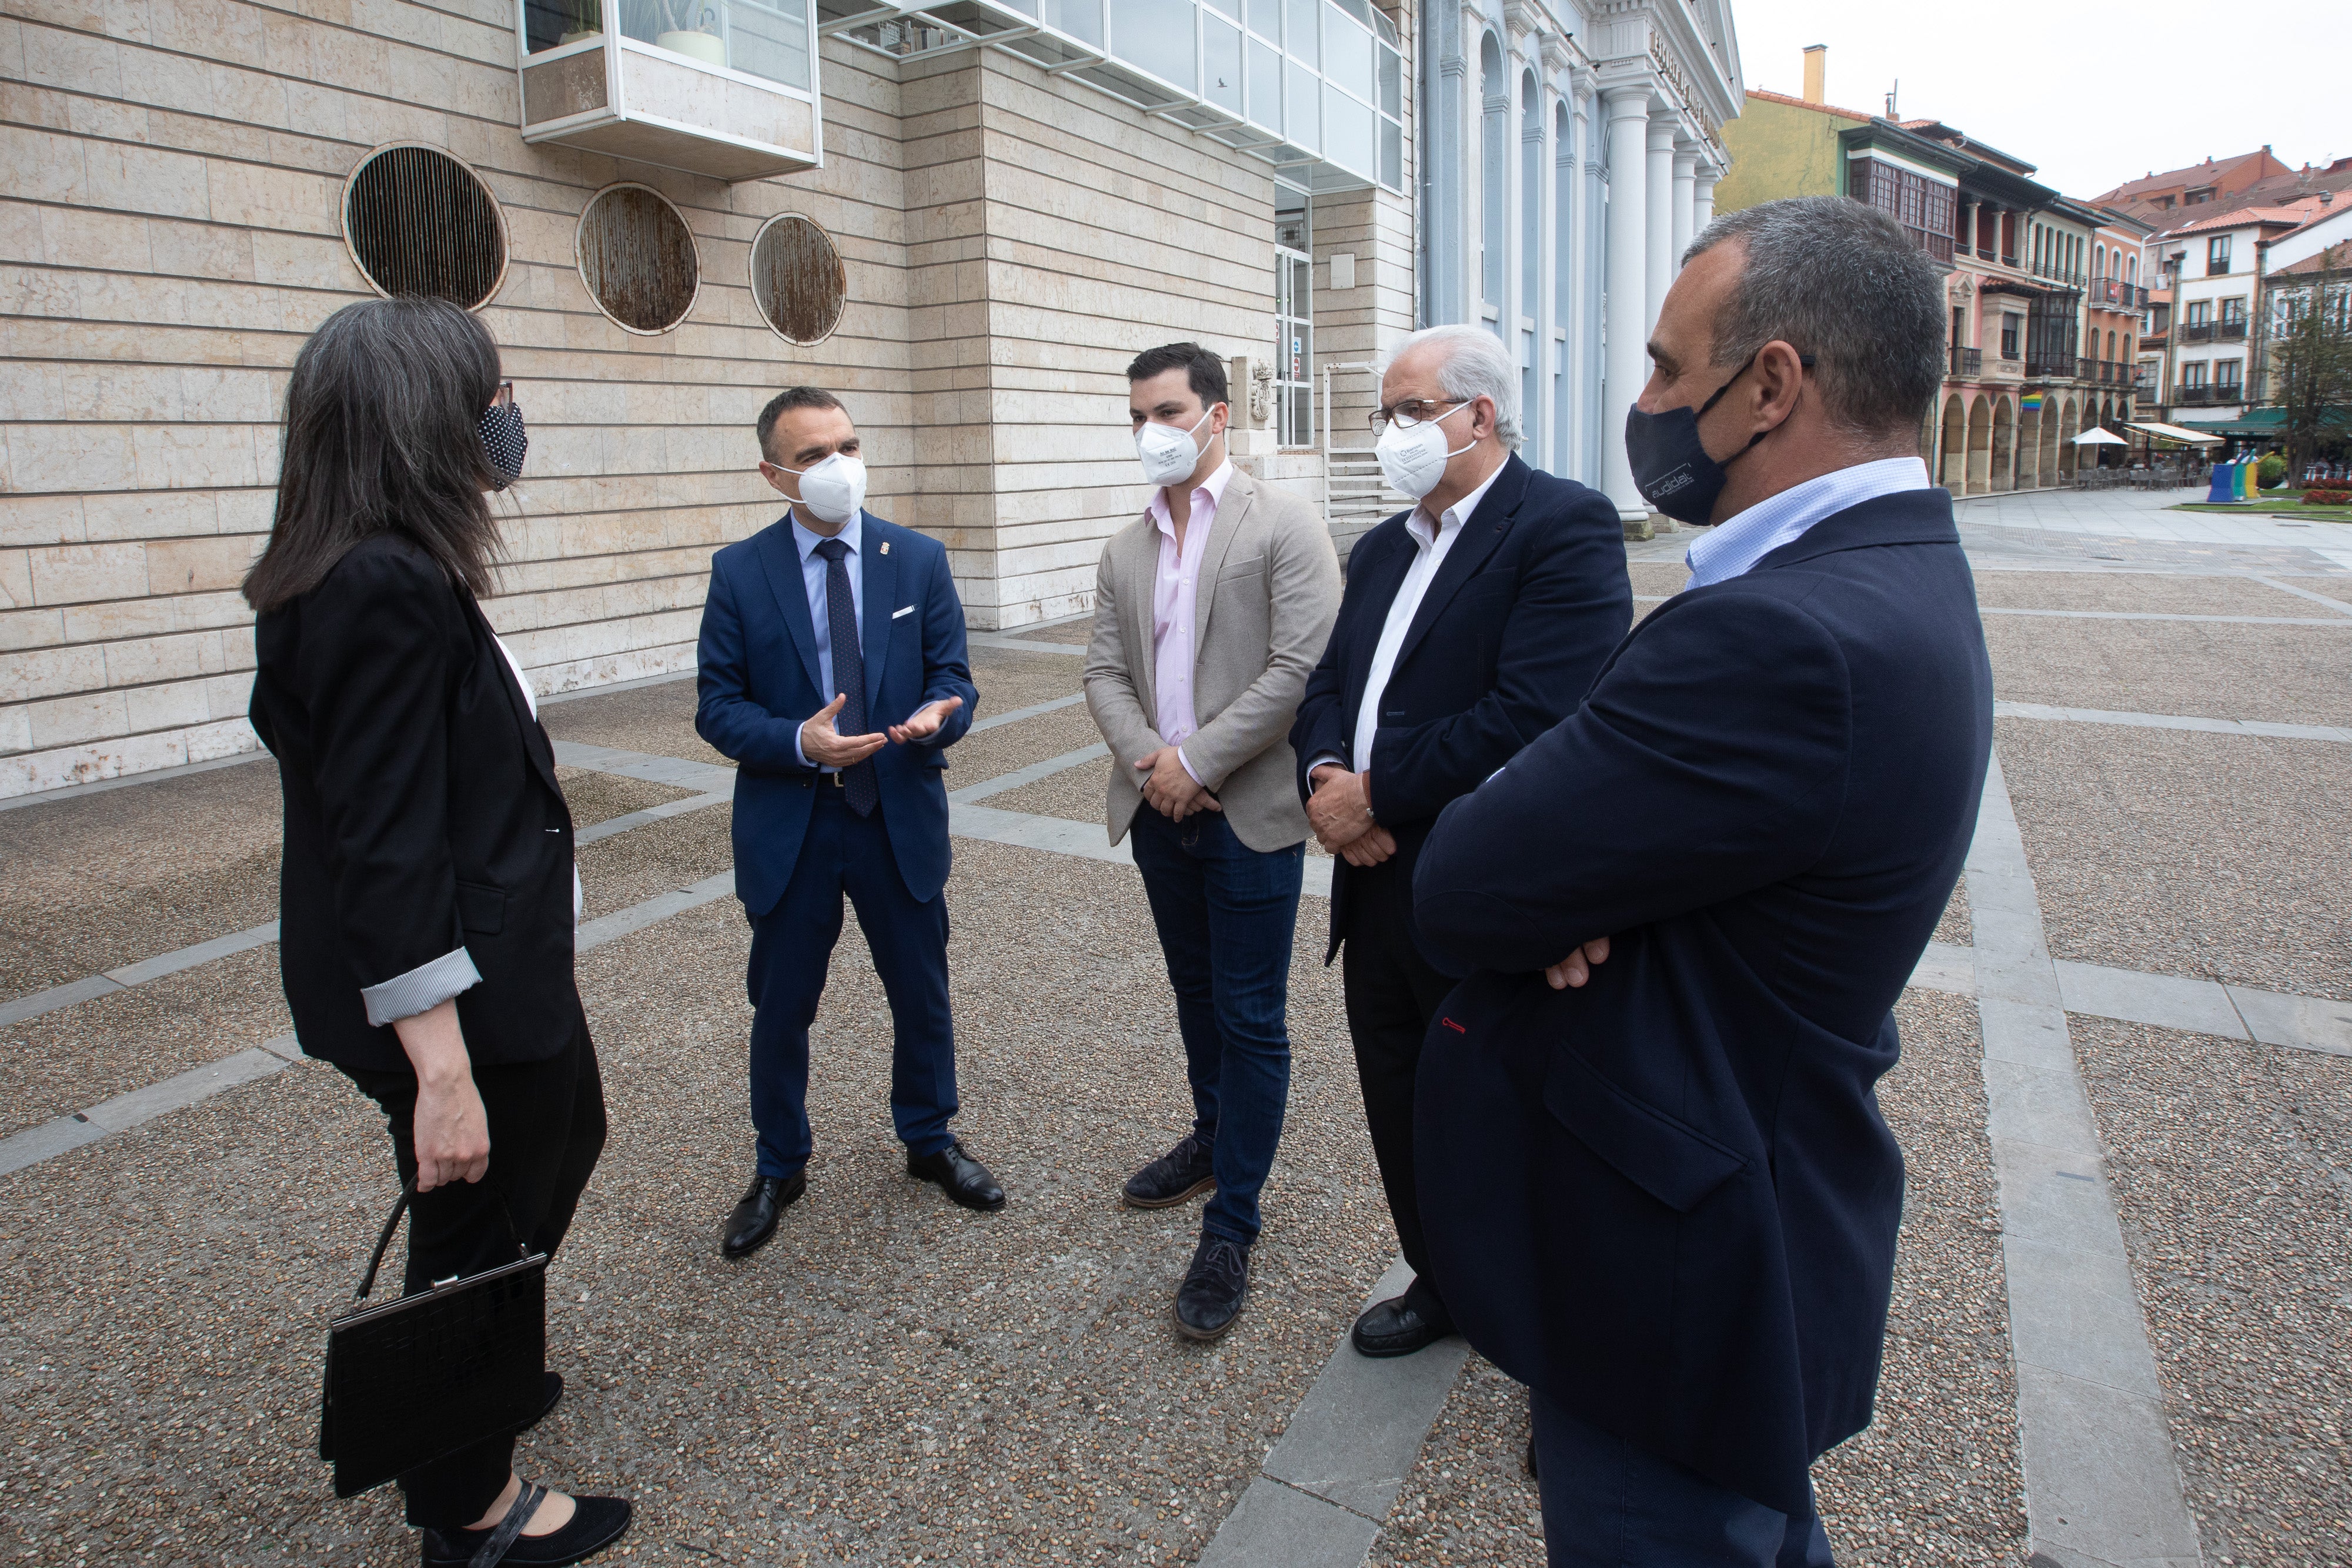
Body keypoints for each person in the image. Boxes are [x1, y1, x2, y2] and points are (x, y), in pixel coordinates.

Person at [1409, 196, 1995, 1564]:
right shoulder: (1887, 569)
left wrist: (1548, 880)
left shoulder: (1781, 632)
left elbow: (1462, 884)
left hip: (1679, 1259)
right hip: (1748, 1213)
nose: (1646, 399)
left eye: (1671, 368)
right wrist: (1572, 870)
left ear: (1771, 383)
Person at [244, 297, 630, 1567]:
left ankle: (477, 1370)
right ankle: (468, 1502)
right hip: (453, 998)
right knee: (478, 1211)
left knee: (559, 1142)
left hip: (488, 969)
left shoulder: (362, 561)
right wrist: (443, 1074)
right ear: (422, 420)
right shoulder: (378, 584)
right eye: (489, 394)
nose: (503, 419)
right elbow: (389, 842)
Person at [1286, 324, 1632, 1362]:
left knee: (1519, 1128)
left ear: (1478, 416)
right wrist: (1323, 780)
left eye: (1408, 410)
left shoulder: (1563, 525)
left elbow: (1537, 713)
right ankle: (1445, 1284)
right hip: (1374, 887)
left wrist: (1376, 795)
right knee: (1404, 1108)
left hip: (1482, 890)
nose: (1390, 432)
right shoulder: (1383, 547)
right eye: (1384, 414)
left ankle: (1558, 1350)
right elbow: (1329, 687)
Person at [695, 386, 995, 1261]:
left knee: (922, 993)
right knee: (782, 1007)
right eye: (815, 456)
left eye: (849, 446)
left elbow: (957, 678)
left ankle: (930, 1139)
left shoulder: (918, 559)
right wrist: (798, 740)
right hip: (793, 826)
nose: (839, 468)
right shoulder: (740, 572)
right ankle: (779, 1164)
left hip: (896, 813)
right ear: (774, 474)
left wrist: (946, 712)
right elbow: (718, 709)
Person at [1081, 343, 1342, 1339]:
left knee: (1251, 1016)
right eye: (1138, 413)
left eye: (1169, 410)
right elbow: (1105, 672)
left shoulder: (1281, 523)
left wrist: (1200, 766)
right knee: (1196, 995)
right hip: (1159, 811)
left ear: (1216, 415)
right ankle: (1211, 1136)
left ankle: (1235, 1221)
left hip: (1247, 814)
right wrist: (1156, 763)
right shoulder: (1125, 547)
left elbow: (1297, 668)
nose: (1153, 429)